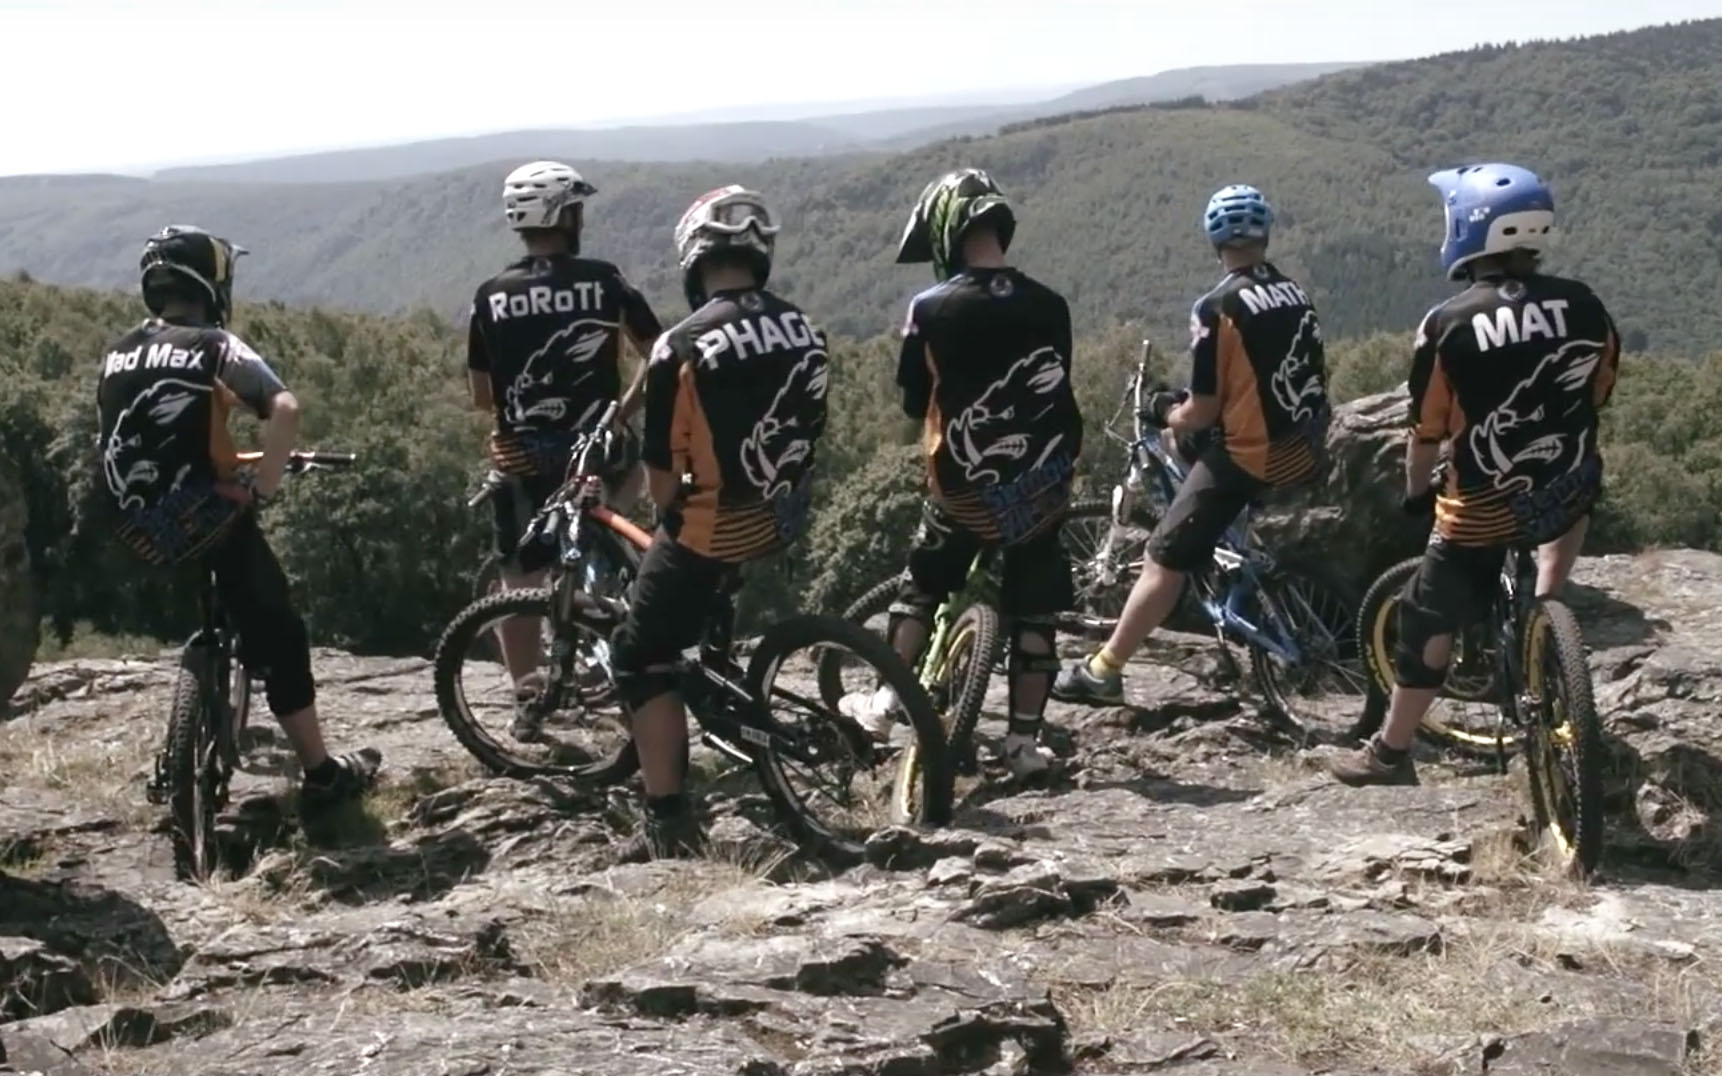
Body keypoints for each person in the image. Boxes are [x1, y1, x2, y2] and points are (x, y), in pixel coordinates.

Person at [1328, 163, 1619, 786]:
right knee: (1579, 483)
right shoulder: (1585, 303)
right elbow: (1600, 388)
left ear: (1467, 229)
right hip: (1567, 485)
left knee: (1424, 616)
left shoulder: (1449, 323)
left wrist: (1414, 491)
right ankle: (1548, 601)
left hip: (1482, 505)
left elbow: (1426, 430)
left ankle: (1392, 752)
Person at [96, 225, 380, 810]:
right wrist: (265, 483)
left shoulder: (119, 349)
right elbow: (286, 409)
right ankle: (321, 773)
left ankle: (195, 711)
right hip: (203, 517)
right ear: (214, 280)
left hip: (127, 522)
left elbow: (166, 439)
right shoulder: (213, 344)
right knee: (278, 627)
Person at [609, 185, 830, 860]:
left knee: (638, 655)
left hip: (714, 527)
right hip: (782, 514)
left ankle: (668, 815)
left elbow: (660, 482)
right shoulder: (805, 327)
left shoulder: (680, 345)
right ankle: (714, 666)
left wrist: (670, 502)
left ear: (694, 259)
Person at [1052, 184, 1332, 707]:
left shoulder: (1215, 307)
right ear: (1264, 233)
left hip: (1252, 455)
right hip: (1308, 443)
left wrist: (1165, 408)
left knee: (1162, 557)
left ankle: (1103, 671)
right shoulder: (1295, 291)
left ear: (1215, 240)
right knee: (1187, 445)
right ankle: (1222, 543)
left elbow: (1200, 411)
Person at [847, 168, 1083, 780]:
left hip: (965, 486)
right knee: (1036, 611)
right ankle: (1023, 745)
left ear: (948, 233)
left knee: (923, 585)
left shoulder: (932, 308)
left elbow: (910, 399)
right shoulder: (1051, 303)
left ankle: (885, 703)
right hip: (1043, 484)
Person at [465, 160, 664, 741]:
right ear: (565, 216)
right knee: (609, 538)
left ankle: (527, 697)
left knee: (519, 575)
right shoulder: (606, 280)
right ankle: (621, 667)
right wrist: (621, 413)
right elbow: (661, 355)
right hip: (599, 449)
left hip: (522, 454)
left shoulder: (491, 295)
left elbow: (482, 395)